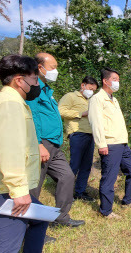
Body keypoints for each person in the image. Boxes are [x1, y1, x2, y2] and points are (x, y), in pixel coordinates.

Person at [0, 54, 48, 252]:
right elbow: (9, 149)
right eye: (34, 79)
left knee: (39, 220)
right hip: (4, 190)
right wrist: (19, 191)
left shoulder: (11, 101)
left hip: (7, 187)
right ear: (19, 80)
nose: (37, 84)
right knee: (5, 247)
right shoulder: (10, 104)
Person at [27, 53, 84, 228]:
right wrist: (38, 144)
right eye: (52, 67)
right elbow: (32, 117)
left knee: (66, 176)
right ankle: (30, 225)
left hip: (54, 144)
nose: (55, 71)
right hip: (41, 143)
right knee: (35, 185)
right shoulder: (33, 88)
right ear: (39, 67)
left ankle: (61, 217)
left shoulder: (47, 90)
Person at [88, 68, 131, 219]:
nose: (117, 82)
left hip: (122, 143)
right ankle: (106, 210)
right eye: (115, 79)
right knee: (109, 178)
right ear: (105, 81)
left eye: (118, 80)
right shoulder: (97, 99)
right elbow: (95, 123)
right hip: (110, 144)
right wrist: (101, 144)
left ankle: (128, 199)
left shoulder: (113, 99)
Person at [58, 76, 99, 201]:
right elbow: (60, 111)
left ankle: (79, 192)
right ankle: (66, 193)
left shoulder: (91, 100)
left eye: (94, 90)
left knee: (86, 165)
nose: (91, 92)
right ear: (83, 85)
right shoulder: (70, 96)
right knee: (74, 164)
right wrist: (81, 114)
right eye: (90, 88)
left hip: (90, 135)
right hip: (77, 133)